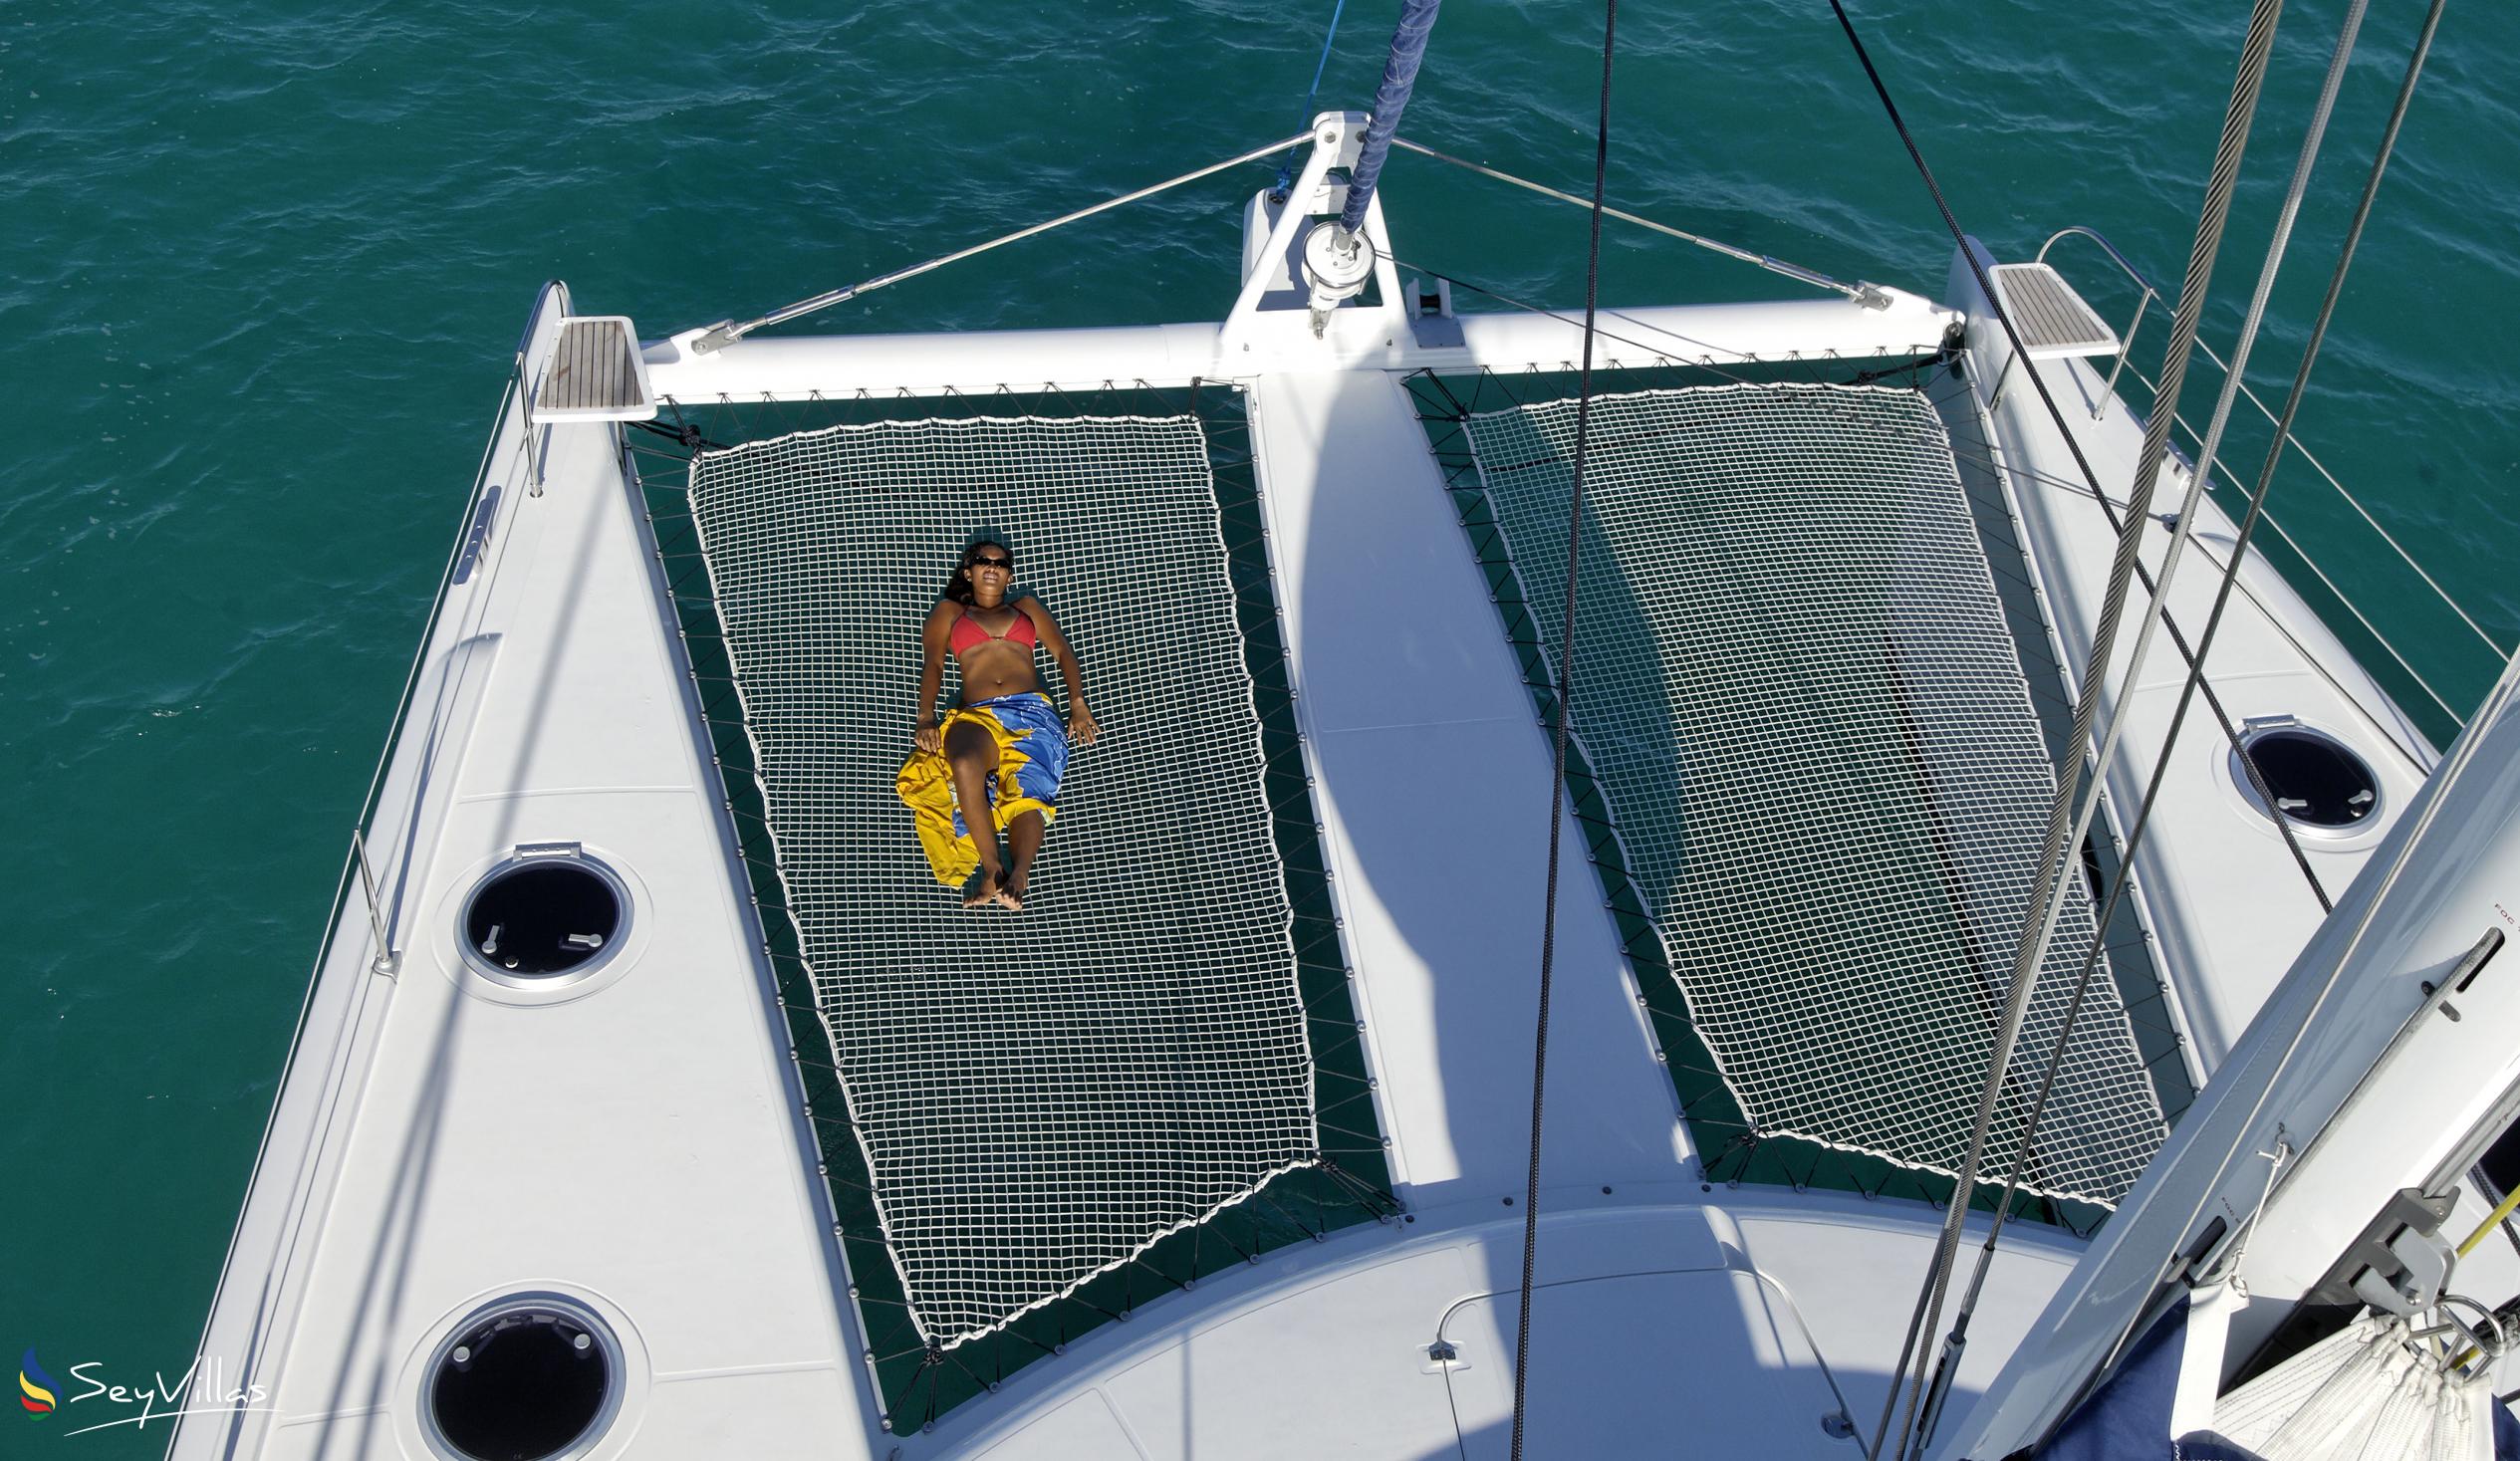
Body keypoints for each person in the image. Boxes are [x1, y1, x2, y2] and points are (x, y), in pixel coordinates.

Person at [896, 535, 1099, 909]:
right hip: (979, 713)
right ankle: (992, 869)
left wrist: (1078, 702)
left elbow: (1062, 652)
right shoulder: (950, 613)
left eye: (1001, 563)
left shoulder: (1026, 609)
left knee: (1028, 793)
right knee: (963, 762)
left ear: (1008, 576)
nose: (993, 567)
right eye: (984, 561)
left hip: (1033, 713)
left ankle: (1019, 873)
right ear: (969, 572)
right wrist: (926, 716)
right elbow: (934, 665)